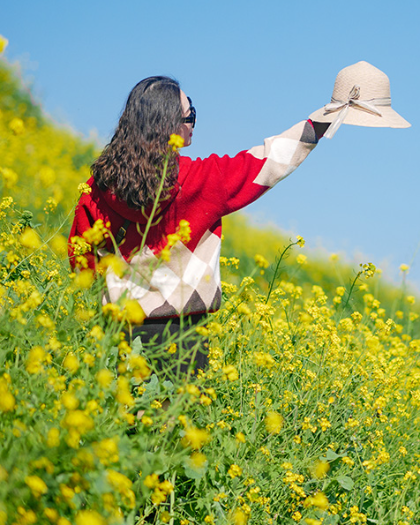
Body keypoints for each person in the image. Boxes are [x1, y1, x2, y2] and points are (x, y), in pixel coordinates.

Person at [69, 76, 331, 378]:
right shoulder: (201, 180)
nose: (194, 121)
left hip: (118, 332)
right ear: (169, 125)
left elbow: (81, 262)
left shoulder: (97, 190)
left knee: (124, 420)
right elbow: (269, 161)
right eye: (189, 114)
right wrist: (324, 120)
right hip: (183, 338)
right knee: (172, 421)